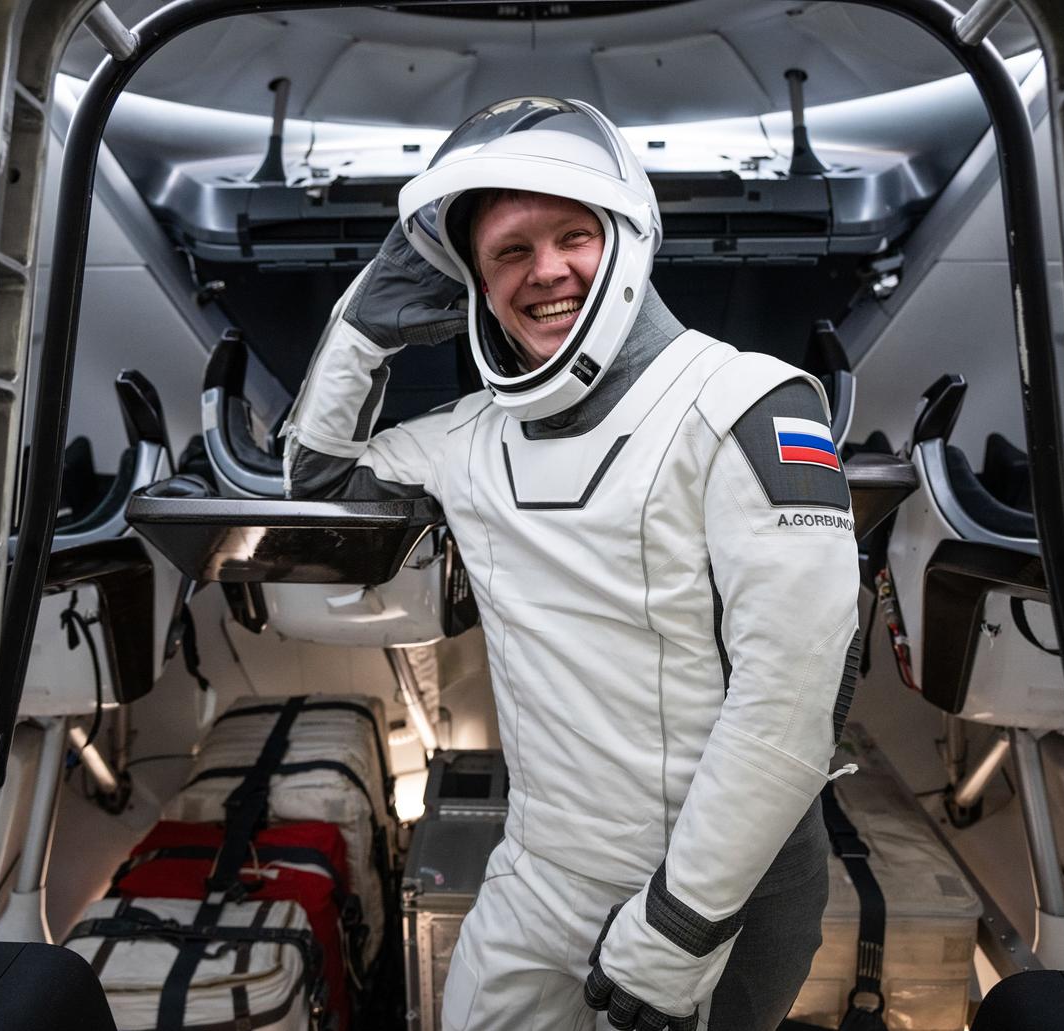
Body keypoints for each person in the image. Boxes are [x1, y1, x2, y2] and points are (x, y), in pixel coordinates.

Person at [284, 97, 861, 1031]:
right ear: (475, 280)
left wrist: (681, 923)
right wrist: (363, 328)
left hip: (714, 893)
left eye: (571, 235)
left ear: (627, 239)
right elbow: (316, 479)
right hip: (538, 865)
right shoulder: (469, 438)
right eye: (508, 252)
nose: (545, 270)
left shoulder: (746, 400)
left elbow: (798, 695)